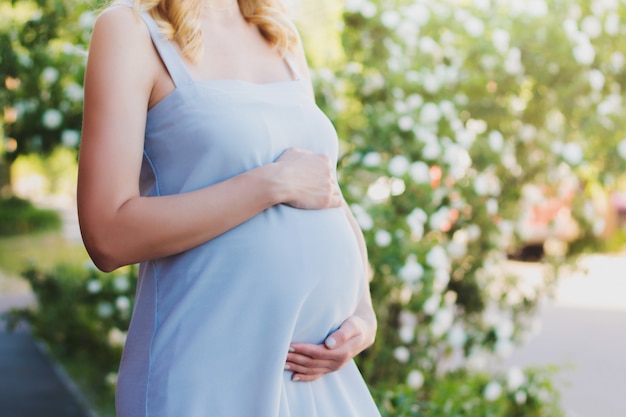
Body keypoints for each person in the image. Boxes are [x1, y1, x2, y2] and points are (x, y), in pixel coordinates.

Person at [77, 0, 381, 415]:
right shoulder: (130, 29)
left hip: (314, 376)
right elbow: (106, 235)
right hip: (207, 372)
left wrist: (363, 313)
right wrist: (269, 184)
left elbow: (323, 186)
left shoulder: (277, 29)